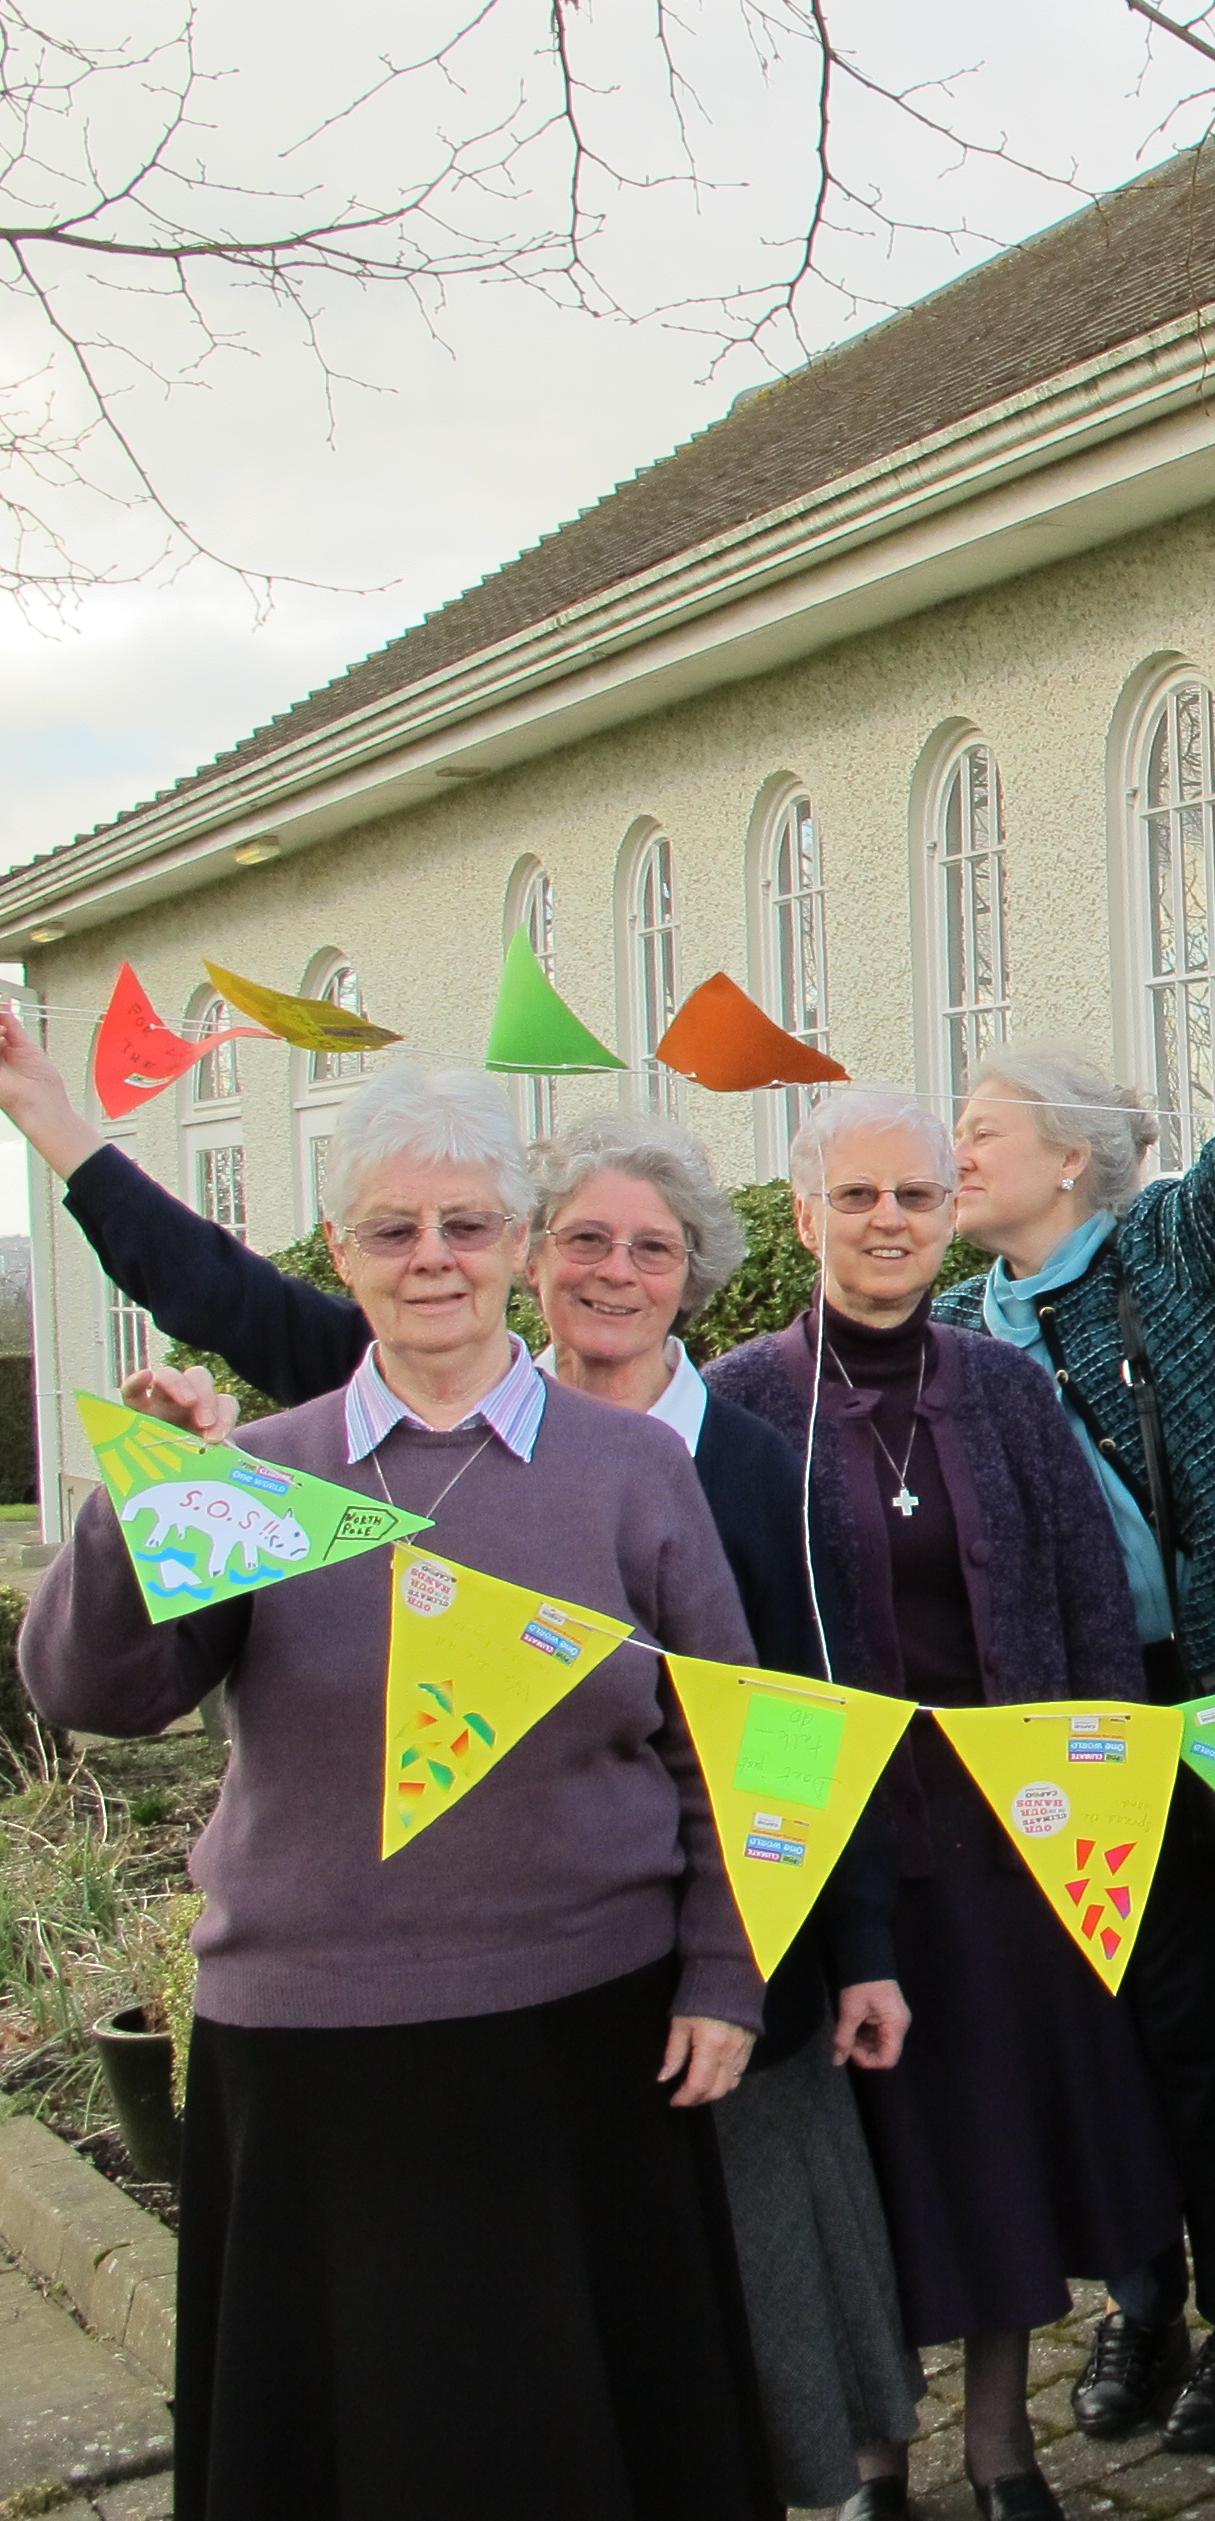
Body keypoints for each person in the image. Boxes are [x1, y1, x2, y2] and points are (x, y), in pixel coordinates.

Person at [0, 1045, 927, 2512]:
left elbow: (736, 1752)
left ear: (511, 1244)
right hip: (318, 2061)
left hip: (591, 2042)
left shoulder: (636, 1472)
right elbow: (92, 1693)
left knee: (601, 2452)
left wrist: (722, 1978)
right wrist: (147, 1508)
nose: (431, 1258)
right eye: (391, 1230)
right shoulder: (266, 1470)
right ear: (342, 1254)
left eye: (464, 1226)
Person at [940, 859, 1215, 2454]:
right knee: (1099, 2036)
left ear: (1068, 1157)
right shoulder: (955, 1333)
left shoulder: (1177, 1259)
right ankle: (1141, 2304)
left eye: (976, 1135)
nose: (952, 1158)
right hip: (1048, 1736)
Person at [707, 1087, 1183, 2521]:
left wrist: (1099, 1807)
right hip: (837, 1855)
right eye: (856, 1199)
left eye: (915, 1196)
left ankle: (999, 2449)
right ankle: (871, 2464)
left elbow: (1094, 1607)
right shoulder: (737, 1407)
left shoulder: (1009, 1389)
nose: (890, 1223)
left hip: (1008, 1850)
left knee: (999, 2160)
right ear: (804, 1220)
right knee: (878, 2179)